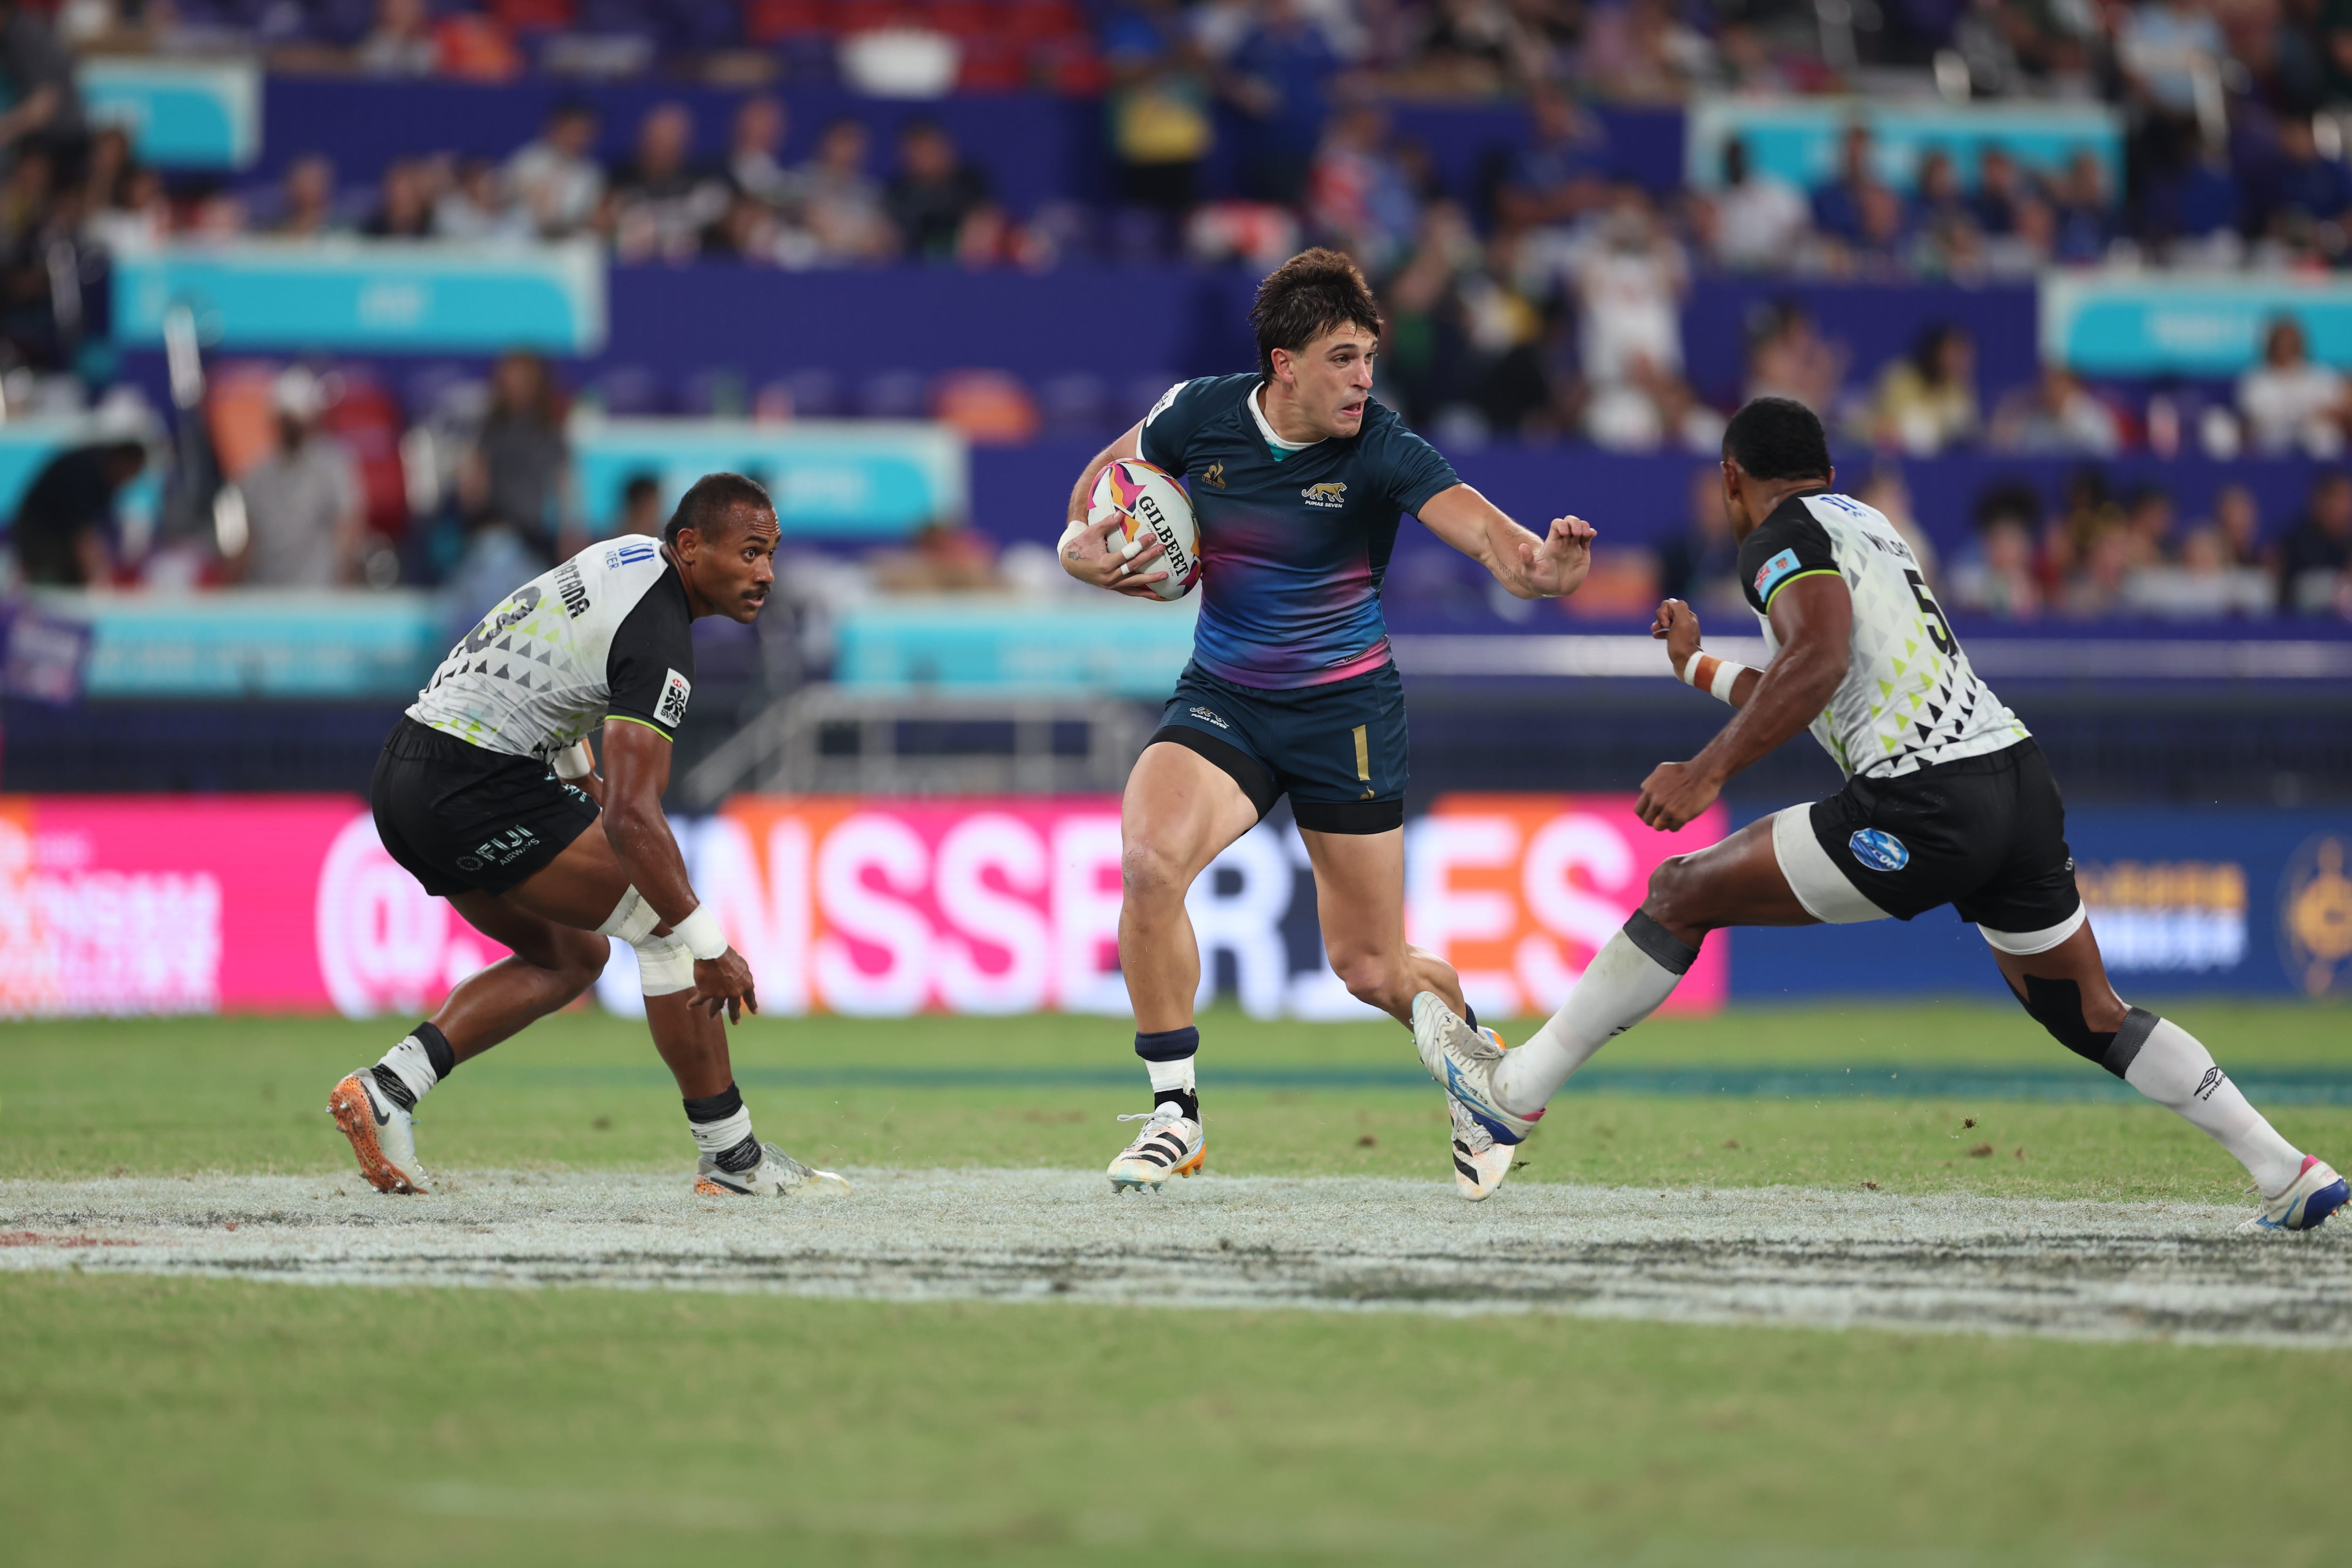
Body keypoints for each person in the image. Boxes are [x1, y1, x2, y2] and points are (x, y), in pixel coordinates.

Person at [1408, 397, 2348, 1234]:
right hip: (2013, 781)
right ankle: (2284, 1170)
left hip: (1923, 799)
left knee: (1677, 890)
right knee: (2091, 1012)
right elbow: (1829, 685)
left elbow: (1814, 662)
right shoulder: (1866, 524)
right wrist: (1695, 667)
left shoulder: (1773, 535)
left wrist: (1702, 773)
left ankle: (1513, 1095)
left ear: (1734, 478)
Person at [1054, 249, 1596, 1192]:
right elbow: (1103, 483)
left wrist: (1543, 568)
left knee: (1370, 967)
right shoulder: (1196, 414)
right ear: (1284, 363)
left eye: (1369, 357)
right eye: (1342, 358)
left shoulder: (1383, 447)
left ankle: (1479, 1066)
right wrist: (1075, 544)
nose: (1363, 378)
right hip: (1224, 699)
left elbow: (1495, 544)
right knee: (1147, 866)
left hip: (1345, 712)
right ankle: (1174, 1116)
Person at [327, 473, 846, 1200]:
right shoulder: (662, 636)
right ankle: (733, 1159)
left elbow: (551, 654)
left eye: (772, 554)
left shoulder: (631, 556)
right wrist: (712, 948)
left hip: (408, 773)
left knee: (570, 956)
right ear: (692, 547)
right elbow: (635, 820)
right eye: (751, 552)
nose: (765, 574)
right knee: (667, 928)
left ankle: (388, 1088)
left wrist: (579, 777)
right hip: (471, 781)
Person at [228, 368, 363, 587]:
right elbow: (248, 541)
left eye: (296, 418)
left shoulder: (333, 467)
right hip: (265, 594)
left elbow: (348, 527)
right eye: (286, 417)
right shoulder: (255, 474)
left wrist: (343, 579)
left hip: (317, 594)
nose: (292, 425)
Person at [11, 439, 143, 586]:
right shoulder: (83, 472)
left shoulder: (107, 475)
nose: (128, 482)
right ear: (123, 462)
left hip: (60, 534)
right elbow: (82, 534)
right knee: (54, 582)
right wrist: (98, 578)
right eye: (130, 474)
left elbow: (101, 531)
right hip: (41, 532)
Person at [506, 103, 604, 239]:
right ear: (556, 128)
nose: (577, 138)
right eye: (573, 131)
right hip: (523, 235)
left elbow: (589, 216)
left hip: (568, 239)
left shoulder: (591, 172)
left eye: (584, 133)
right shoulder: (528, 161)